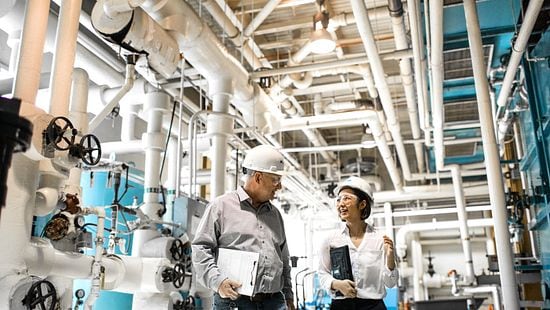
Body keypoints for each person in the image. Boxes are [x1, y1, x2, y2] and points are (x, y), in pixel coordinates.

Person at [192, 145, 296, 310]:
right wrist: (218, 282)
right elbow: (200, 248)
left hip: (274, 302)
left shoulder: (275, 214)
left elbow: (283, 260)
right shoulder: (221, 206)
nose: (279, 187)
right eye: (275, 180)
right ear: (258, 177)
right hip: (234, 302)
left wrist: (288, 296)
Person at [318, 176, 398, 310]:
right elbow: (322, 274)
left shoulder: (380, 239)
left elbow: (390, 283)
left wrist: (390, 260)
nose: (341, 204)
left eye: (347, 198)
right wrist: (336, 284)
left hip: (373, 306)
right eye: (339, 200)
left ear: (362, 204)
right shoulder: (331, 240)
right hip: (341, 306)